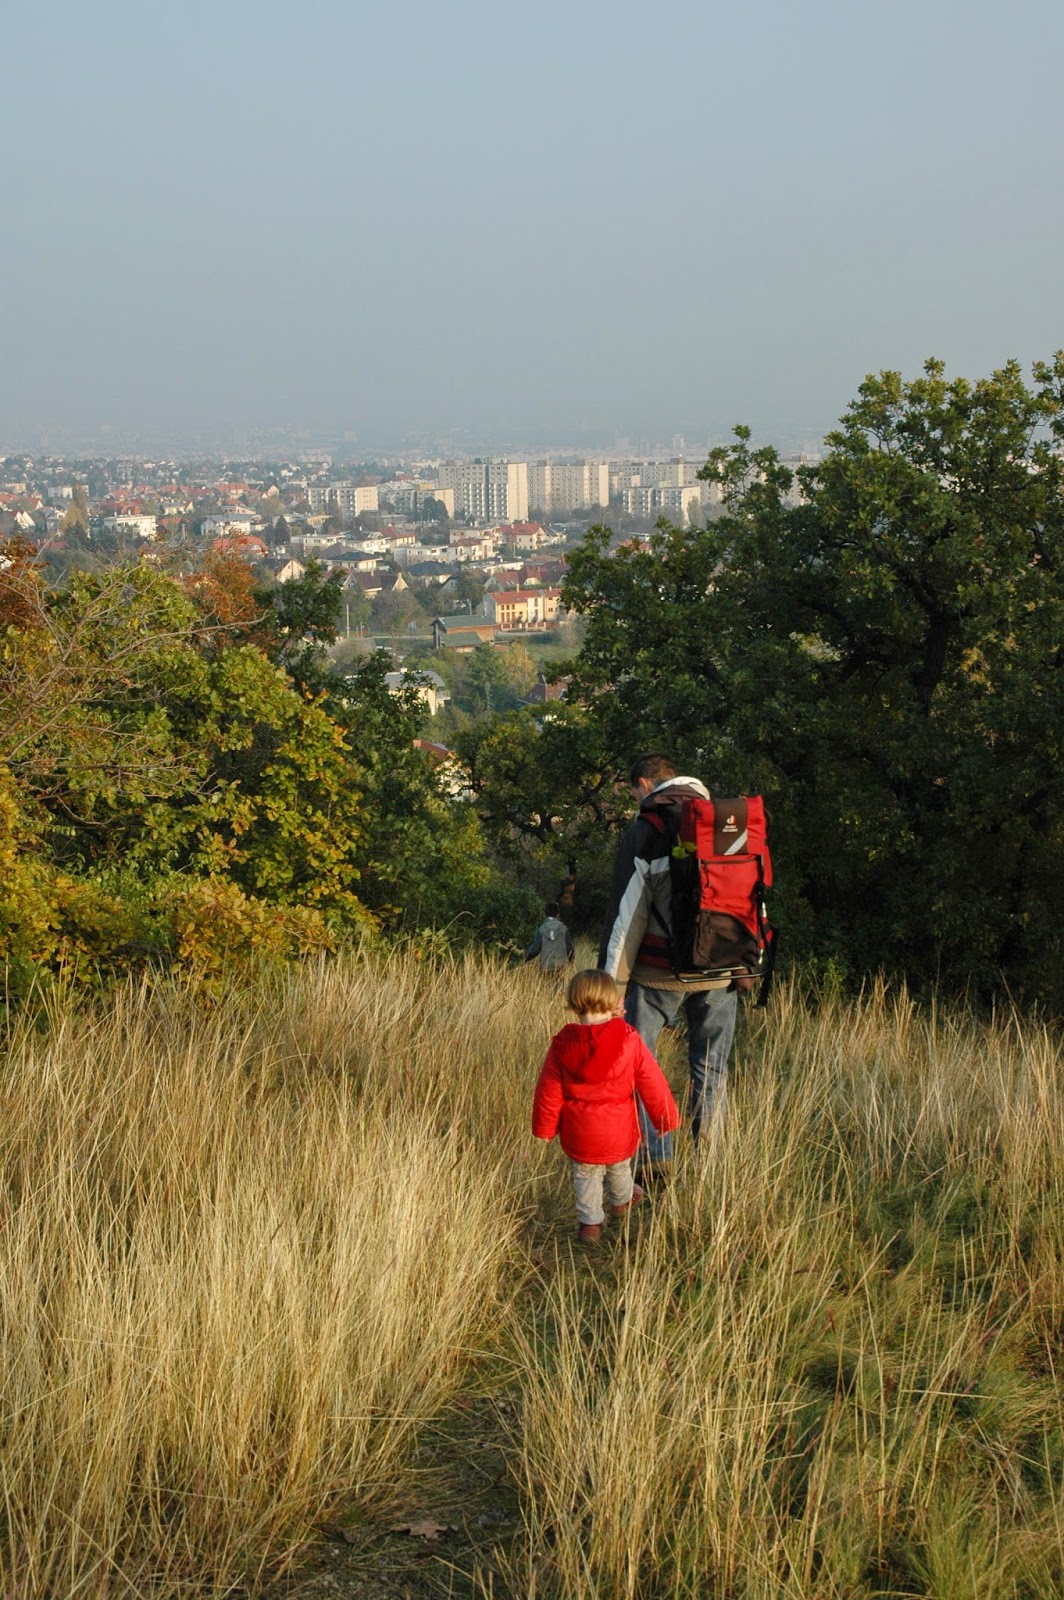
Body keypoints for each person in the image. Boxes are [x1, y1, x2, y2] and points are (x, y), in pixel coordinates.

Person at [599, 753, 740, 1174]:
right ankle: (711, 1159)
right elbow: (748, 897)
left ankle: (656, 1156)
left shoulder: (647, 830)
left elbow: (627, 918)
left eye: (633, 793)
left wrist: (610, 987)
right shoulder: (727, 822)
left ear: (644, 784)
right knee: (710, 1065)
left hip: (659, 974)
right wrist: (745, 964)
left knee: (642, 1064)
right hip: (722, 967)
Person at [532, 968, 680, 1241]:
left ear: (573, 1001)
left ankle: (590, 1226)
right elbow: (652, 1081)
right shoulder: (628, 1038)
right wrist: (665, 1118)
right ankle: (621, 1204)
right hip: (618, 1128)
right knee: (619, 1167)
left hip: (581, 1131)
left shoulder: (563, 1044)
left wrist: (545, 1128)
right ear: (613, 1001)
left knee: (585, 1175)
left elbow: (549, 1091)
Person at [525, 902, 574, 974]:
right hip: (560, 965)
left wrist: (525, 957)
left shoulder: (541, 929)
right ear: (558, 914)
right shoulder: (564, 929)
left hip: (546, 966)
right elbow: (569, 948)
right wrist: (571, 961)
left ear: (545, 914)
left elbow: (535, 950)